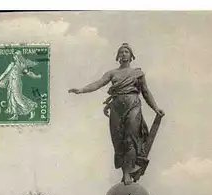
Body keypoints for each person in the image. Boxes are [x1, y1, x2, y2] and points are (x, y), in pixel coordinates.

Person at [69, 43, 164, 185]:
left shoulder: (138, 73)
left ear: (131, 56)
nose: (124, 53)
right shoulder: (112, 73)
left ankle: (127, 173)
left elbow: (145, 92)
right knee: (118, 141)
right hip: (117, 107)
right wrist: (81, 90)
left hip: (133, 104)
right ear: (118, 56)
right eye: (121, 51)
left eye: (126, 51)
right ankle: (125, 170)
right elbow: (98, 83)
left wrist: (155, 108)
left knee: (131, 138)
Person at [0, 50, 41, 120]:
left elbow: (29, 73)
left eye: (17, 56)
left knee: (18, 98)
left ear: (19, 57)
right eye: (14, 56)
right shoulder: (11, 64)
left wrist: (36, 76)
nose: (15, 57)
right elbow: (5, 73)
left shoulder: (22, 65)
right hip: (10, 83)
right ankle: (15, 115)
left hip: (17, 83)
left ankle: (31, 110)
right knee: (12, 99)